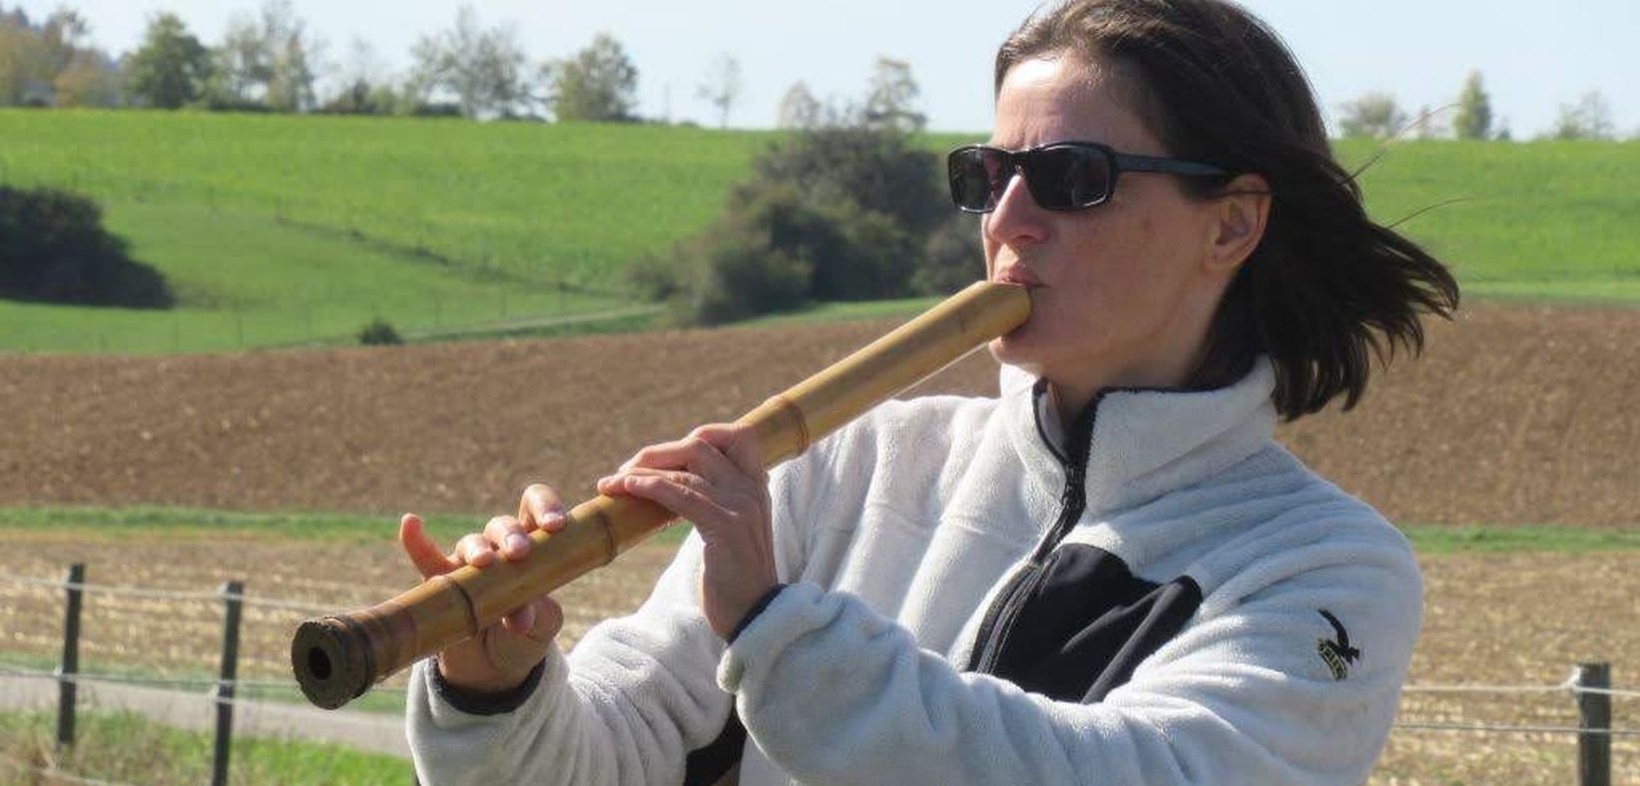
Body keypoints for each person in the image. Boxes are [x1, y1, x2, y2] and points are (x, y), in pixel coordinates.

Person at [400, 0, 1459, 783]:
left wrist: (777, 627)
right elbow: (618, 752)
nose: (1005, 219)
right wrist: (496, 692)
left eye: (1069, 178)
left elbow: (1134, 771)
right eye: (985, 175)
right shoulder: (847, 463)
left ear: (1228, 223)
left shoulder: (1321, 567)